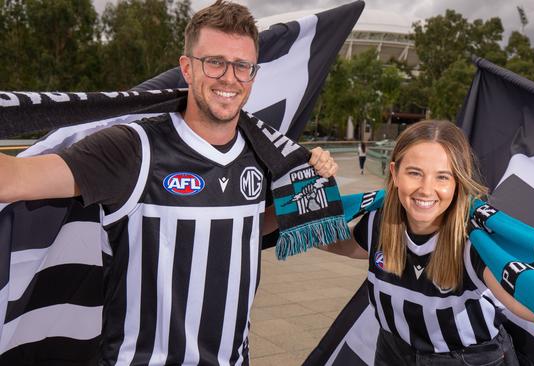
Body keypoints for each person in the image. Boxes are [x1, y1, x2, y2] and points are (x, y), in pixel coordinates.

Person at [0, 1, 338, 365]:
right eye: (214, 62)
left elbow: (250, 227)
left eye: (242, 66)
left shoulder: (264, 151)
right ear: (187, 69)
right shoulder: (132, 147)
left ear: (253, 74)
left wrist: (312, 177)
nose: (229, 78)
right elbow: (15, 180)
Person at [321, 120, 534, 365]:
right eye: (415, 173)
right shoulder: (379, 222)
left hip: (467, 359)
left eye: (442, 177)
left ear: (458, 182)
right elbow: (334, 242)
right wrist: (307, 179)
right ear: (394, 173)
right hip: (392, 352)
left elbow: (522, 302)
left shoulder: (473, 238)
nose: (426, 190)